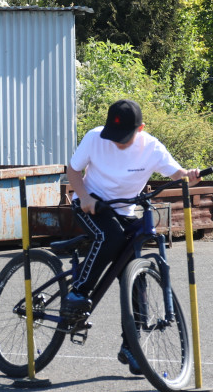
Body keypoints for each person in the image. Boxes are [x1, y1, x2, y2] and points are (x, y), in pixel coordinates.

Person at [62, 99, 202, 375]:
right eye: (113, 136)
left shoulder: (152, 147)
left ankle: (131, 346)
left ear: (141, 129)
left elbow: (178, 174)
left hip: (124, 210)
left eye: (123, 137)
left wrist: (190, 176)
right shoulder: (94, 138)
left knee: (135, 275)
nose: (117, 142)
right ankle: (78, 291)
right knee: (111, 236)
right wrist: (85, 196)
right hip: (92, 205)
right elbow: (73, 170)